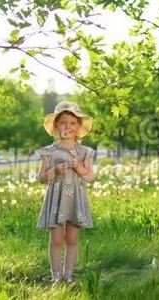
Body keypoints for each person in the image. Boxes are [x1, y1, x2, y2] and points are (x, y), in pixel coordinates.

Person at [35, 101, 96, 285]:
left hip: (75, 200)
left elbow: (90, 177)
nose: (67, 127)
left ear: (78, 128)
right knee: (56, 239)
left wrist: (79, 169)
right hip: (57, 199)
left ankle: (68, 274)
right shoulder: (49, 152)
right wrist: (55, 171)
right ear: (56, 126)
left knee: (71, 238)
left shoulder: (84, 152)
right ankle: (56, 276)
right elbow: (41, 178)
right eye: (63, 123)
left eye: (72, 123)